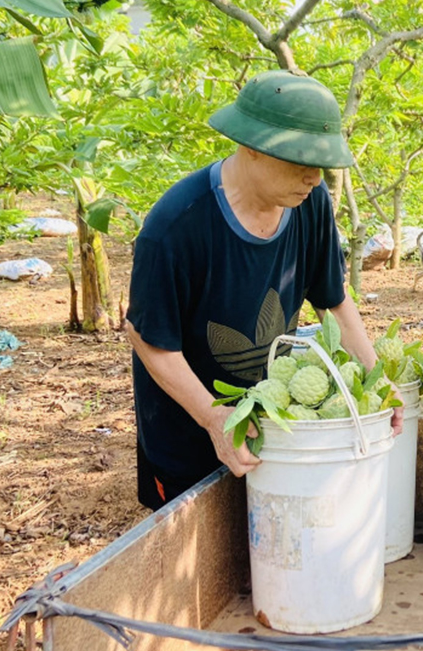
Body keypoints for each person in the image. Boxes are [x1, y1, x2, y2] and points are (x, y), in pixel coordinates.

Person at [125, 70, 402, 510]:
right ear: (251, 146)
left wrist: (375, 381)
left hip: (268, 423)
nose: (314, 178)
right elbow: (147, 335)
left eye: (321, 165)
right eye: (301, 162)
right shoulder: (177, 226)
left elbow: (333, 301)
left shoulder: (310, 206)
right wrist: (214, 418)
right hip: (188, 429)